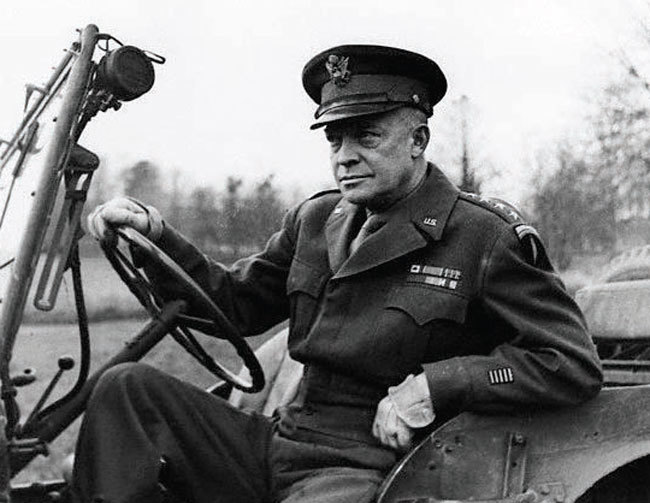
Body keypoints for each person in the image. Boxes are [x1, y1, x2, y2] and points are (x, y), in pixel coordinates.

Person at [75, 45, 603, 503]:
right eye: (334, 140)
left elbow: (568, 362)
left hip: (367, 463)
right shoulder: (315, 220)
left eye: (367, 137)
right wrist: (154, 239)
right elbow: (234, 304)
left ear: (418, 140)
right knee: (127, 388)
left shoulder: (483, 236)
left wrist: (437, 385)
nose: (345, 157)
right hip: (279, 441)